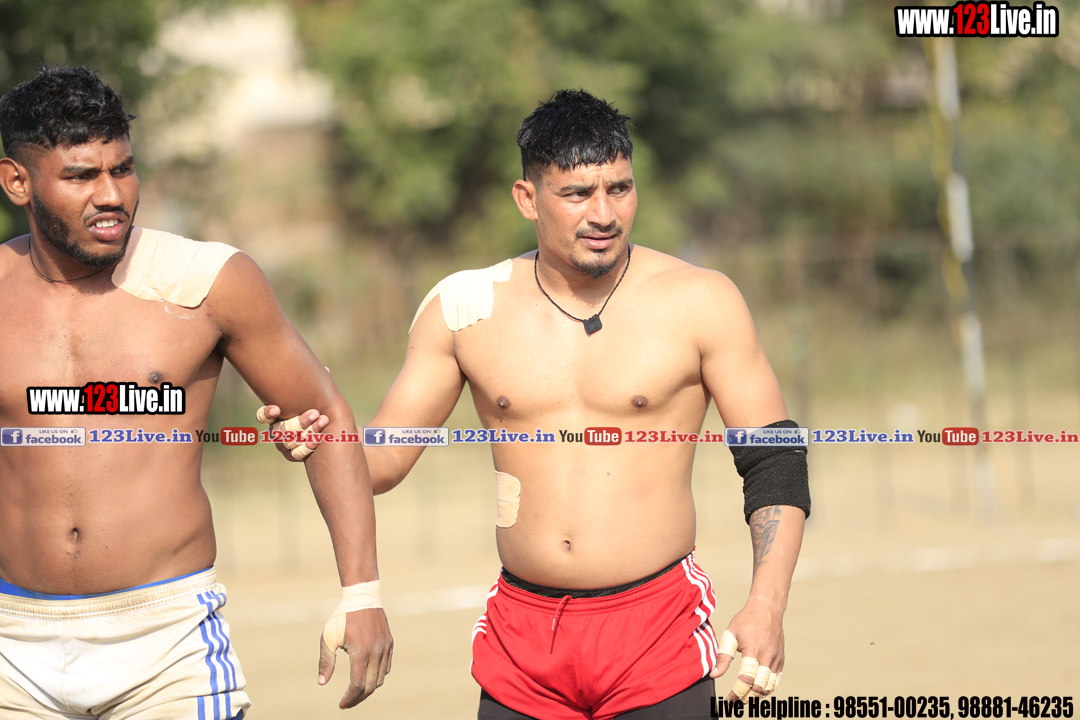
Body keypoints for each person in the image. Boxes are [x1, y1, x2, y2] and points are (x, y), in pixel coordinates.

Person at [263, 89, 810, 720]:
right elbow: (380, 463)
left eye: (619, 188)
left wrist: (767, 605)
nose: (603, 213)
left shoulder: (701, 301)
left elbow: (776, 461)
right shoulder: (467, 310)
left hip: (656, 632)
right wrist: (319, 437)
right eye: (577, 194)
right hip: (523, 643)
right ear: (527, 199)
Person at [0, 65, 391, 718]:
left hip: (167, 643)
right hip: (11, 641)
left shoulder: (206, 281)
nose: (111, 195)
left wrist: (362, 594)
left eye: (123, 169)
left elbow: (324, 417)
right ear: (18, 181)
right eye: (80, 176)